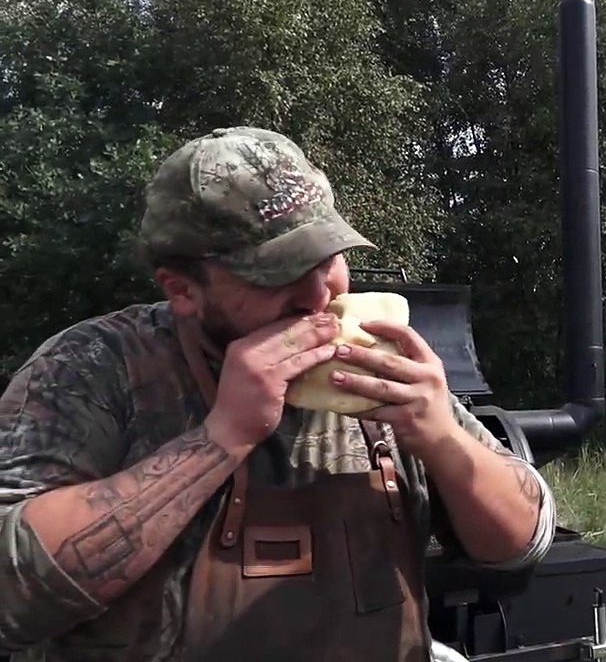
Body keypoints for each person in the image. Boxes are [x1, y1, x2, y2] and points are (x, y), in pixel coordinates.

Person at [0, 126, 556, 661]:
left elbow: (523, 544)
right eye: (276, 274)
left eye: (329, 259)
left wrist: (441, 439)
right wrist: (222, 438)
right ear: (183, 289)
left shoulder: (380, 363)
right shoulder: (94, 369)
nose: (320, 296)